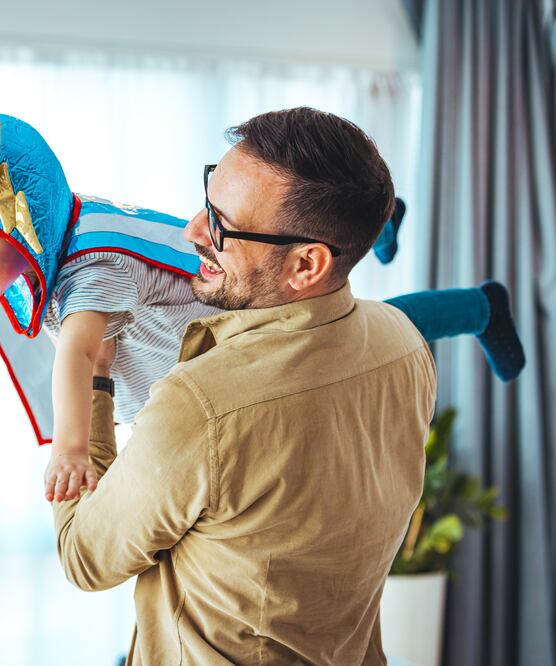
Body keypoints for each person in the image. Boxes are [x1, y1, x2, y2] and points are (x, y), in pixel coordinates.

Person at [0, 111, 523, 508]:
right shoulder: (35, 231)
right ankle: (376, 216)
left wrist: (70, 448)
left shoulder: (91, 273)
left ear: (16, 225)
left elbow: (78, 355)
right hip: (207, 319)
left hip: (247, 327)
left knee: (381, 325)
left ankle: (475, 304)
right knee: (324, 251)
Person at [53, 107, 436, 664]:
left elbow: (84, 557)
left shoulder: (201, 407)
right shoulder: (404, 342)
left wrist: (91, 376)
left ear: (307, 264)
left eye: (222, 225)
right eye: (207, 200)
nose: (191, 231)